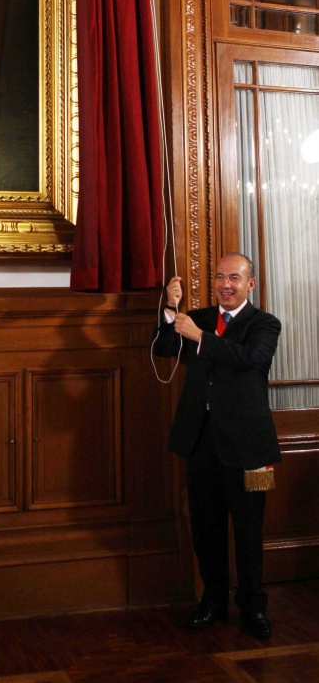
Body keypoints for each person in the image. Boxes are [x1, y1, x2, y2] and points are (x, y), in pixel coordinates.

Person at [152, 253, 281, 639]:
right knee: (206, 526)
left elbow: (251, 359)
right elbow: (163, 347)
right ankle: (212, 600)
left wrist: (200, 338)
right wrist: (170, 309)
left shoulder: (264, 324)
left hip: (250, 447)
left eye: (234, 278)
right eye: (220, 277)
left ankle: (253, 606)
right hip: (201, 441)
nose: (226, 285)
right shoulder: (201, 318)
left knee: (249, 529)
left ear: (250, 284)